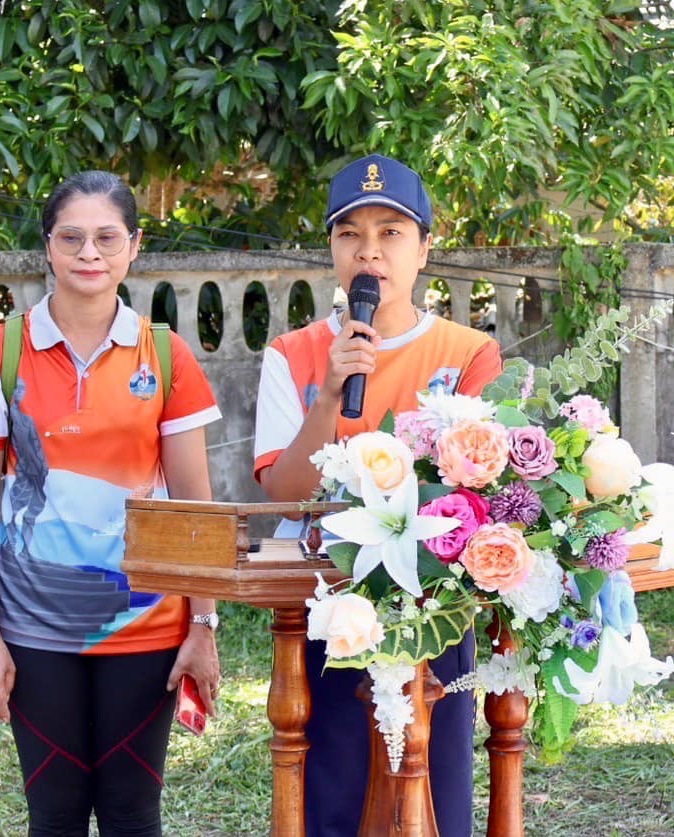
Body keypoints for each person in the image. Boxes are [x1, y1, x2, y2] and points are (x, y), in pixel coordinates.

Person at [0, 171, 223, 837]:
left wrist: (203, 624)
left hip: (147, 623)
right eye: (71, 237)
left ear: (135, 246)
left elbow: (195, 503)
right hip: (33, 629)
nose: (88, 253)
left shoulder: (166, 353)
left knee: (132, 812)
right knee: (55, 813)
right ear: (47, 245)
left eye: (107, 237)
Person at [254, 154, 502, 837]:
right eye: (350, 234)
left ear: (423, 249)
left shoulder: (469, 353)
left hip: (433, 605)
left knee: (431, 795)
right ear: (332, 250)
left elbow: (482, 487)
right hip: (327, 603)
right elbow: (285, 495)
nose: (369, 251)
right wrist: (329, 395)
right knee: (333, 790)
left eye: (391, 232)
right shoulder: (293, 354)